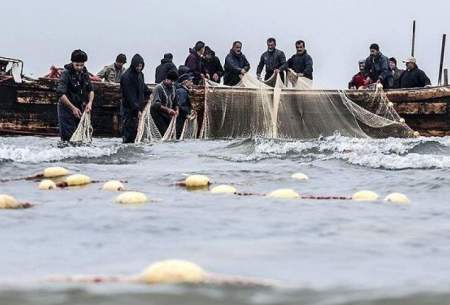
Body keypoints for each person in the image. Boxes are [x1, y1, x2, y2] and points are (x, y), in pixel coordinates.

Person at [56, 49, 95, 142]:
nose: (79, 67)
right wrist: (72, 108)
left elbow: (91, 90)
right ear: (72, 62)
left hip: (80, 107)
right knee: (68, 138)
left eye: (82, 65)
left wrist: (90, 103)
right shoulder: (66, 73)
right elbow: (61, 94)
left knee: (81, 136)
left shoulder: (84, 72)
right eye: (77, 65)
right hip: (66, 109)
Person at [120, 54, 151, 143]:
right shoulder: (127, 77)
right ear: (133, 65)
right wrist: (137, 110)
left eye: (141, 66)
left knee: (137, 132)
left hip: (138, 109)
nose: (139, 68)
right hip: (129, 109)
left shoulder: (140, 74)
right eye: (137, 66)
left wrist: (149, 92)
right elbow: (129, 96)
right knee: (129, 132)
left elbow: (142, 87)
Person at [151, 70, 179, 135]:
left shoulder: (173, 88)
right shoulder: (159, 88)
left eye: (174, 81)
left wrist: (177, 110)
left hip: (168, 116)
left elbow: (176, 102)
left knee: (171, 134)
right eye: (171, 81)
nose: (172, 83)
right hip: (158, 115)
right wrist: (168, 110)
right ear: (166, 79)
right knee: (164, 133)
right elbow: (156, 104)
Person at [175, 73, 195, 138]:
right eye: (191, 81)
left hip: (181, 117)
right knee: (179, 135)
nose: (192, 83)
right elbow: (180, 105)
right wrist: (187, 114)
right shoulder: (182, 91)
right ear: (185, 82)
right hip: (180, 118)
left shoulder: (182, 90)